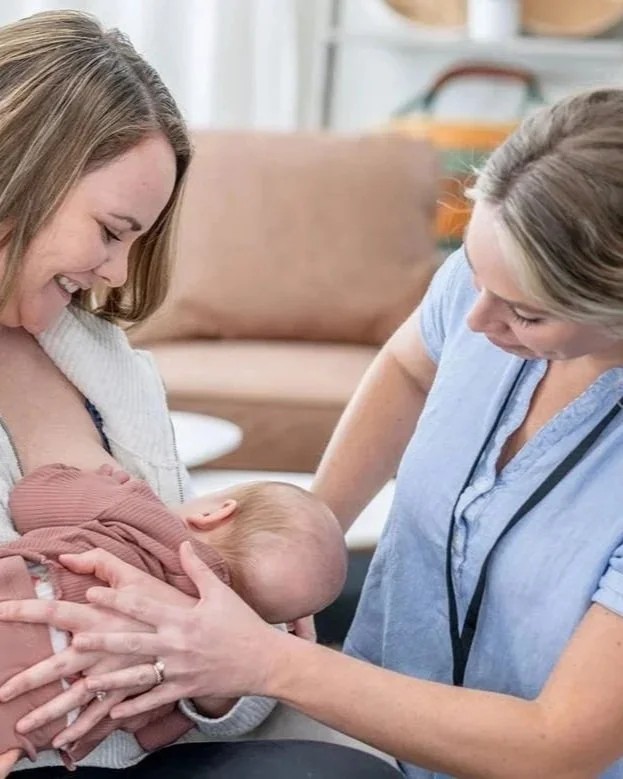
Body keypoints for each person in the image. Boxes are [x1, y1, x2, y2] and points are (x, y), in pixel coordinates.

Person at [10, 84, 623, 778]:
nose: (474, 325)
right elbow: (409, 366)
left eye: (523, 312)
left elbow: (560, 744)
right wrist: (294, 541)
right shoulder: (488, 280)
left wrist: (263, 659)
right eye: (469, 274)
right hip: (357, 720)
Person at [0, 7, 400, 778]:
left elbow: (228, 634)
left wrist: (198, 675)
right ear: (22, 171)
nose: (117, 273)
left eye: (136, 241)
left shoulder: (95, 360)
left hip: (128, 743)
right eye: (112, 230)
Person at [0, 463, 347, 773]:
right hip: (27, 723)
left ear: (216, 513)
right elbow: (153, 736)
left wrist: (100, 481)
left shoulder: (141, 513)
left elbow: (33, 496)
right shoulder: (199, 666)